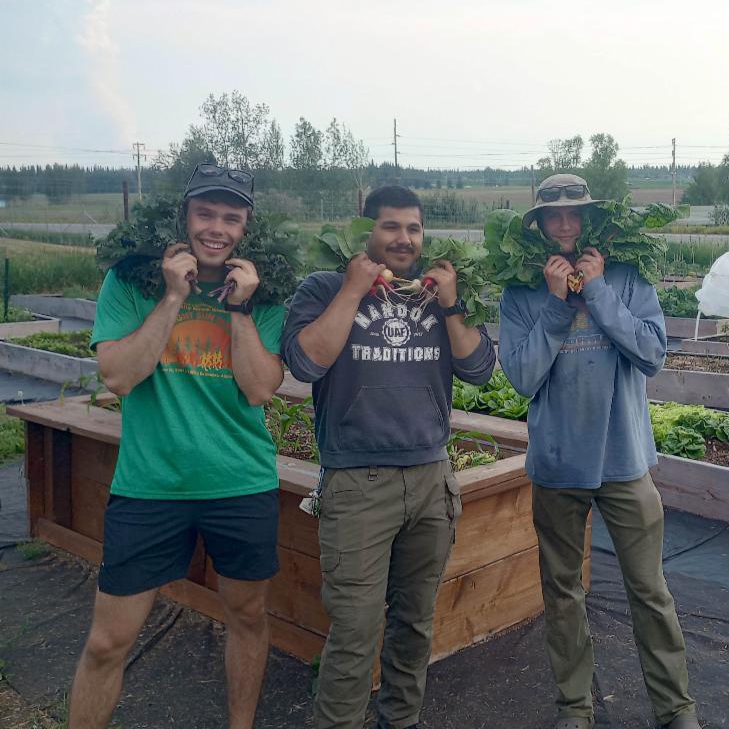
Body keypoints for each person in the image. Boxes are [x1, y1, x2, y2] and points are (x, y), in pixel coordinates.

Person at [69, 164, 286, 729]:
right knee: (106, 642)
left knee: (247, 616)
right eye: (205, 214)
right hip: (149, 484)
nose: (217, 228)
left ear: (247, 227)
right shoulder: (131, 282)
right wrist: (172, 298)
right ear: (184, 217)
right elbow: (118, 376)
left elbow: (260, 387)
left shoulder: (265, 293)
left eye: (231, 217)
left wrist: (238, 308)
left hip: (240, 483)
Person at [282, 184, 495, 729]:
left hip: (431, 478)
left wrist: (451, 302)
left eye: (414, 228)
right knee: (353, 634)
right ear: (366, 231)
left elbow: (478, 370)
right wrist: (353, 290)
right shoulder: (325, 288)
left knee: (414, 624)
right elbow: (305, 364)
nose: (404, 238)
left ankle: (401, 721)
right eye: (391, 226)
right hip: (357, 484)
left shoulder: (437, 293)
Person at [499, 174, 701, 729]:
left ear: (589, 219)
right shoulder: (520, 291)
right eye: (553, 216)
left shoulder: (628, 279)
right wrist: (559, 304)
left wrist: (598, 291)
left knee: (649, 589)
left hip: (624, 461)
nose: (564, 223)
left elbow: (652, 354)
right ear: (539, 225)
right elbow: (521, 375)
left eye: (574, 213)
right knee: (563, 594)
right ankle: (575, 708)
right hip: (558, 465)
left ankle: (676, 709)